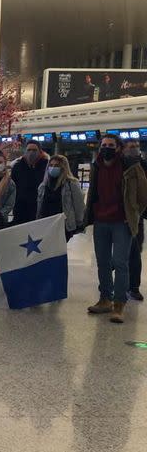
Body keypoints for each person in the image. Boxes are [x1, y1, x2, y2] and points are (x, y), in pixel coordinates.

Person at [85, 134, 147, 323]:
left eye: (111, 145)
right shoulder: (96, 166)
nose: (107, 148)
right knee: (103, 262)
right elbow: (93, 192)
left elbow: (143, 195)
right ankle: (105, 299)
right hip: (101, 220)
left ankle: (119, 304)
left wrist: (133, 215)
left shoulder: (131, 167)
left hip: (122, 221)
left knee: (120, 262)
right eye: (104, 145)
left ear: (118, 148)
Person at [36, 154, 85, 241]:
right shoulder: (43, 185)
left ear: (63, 167)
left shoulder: (71, 183)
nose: (53, 167)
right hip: (45, 225)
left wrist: (79, 223)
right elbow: (39, 207)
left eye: (57, 165)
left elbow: (79, 205)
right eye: (51, 165)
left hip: (64, 226)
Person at [124, 139, 147, 300]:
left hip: (136, 216)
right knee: (120, 253)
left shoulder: (144, 165)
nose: (135, 149)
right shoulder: (120, 166)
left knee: (135, 251)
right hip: (119, 216)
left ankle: (134, 287)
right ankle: (111, 282)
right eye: (131, 147)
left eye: (137, 147)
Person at [11, 139, 49, 225]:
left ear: (40, 151)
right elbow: (12, 187)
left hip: (39, 209)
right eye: (29, 150)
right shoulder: (18, 167)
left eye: (34, 150)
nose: (31, 152)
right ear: (25, 151)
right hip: (20, 209)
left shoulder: (46, 166)